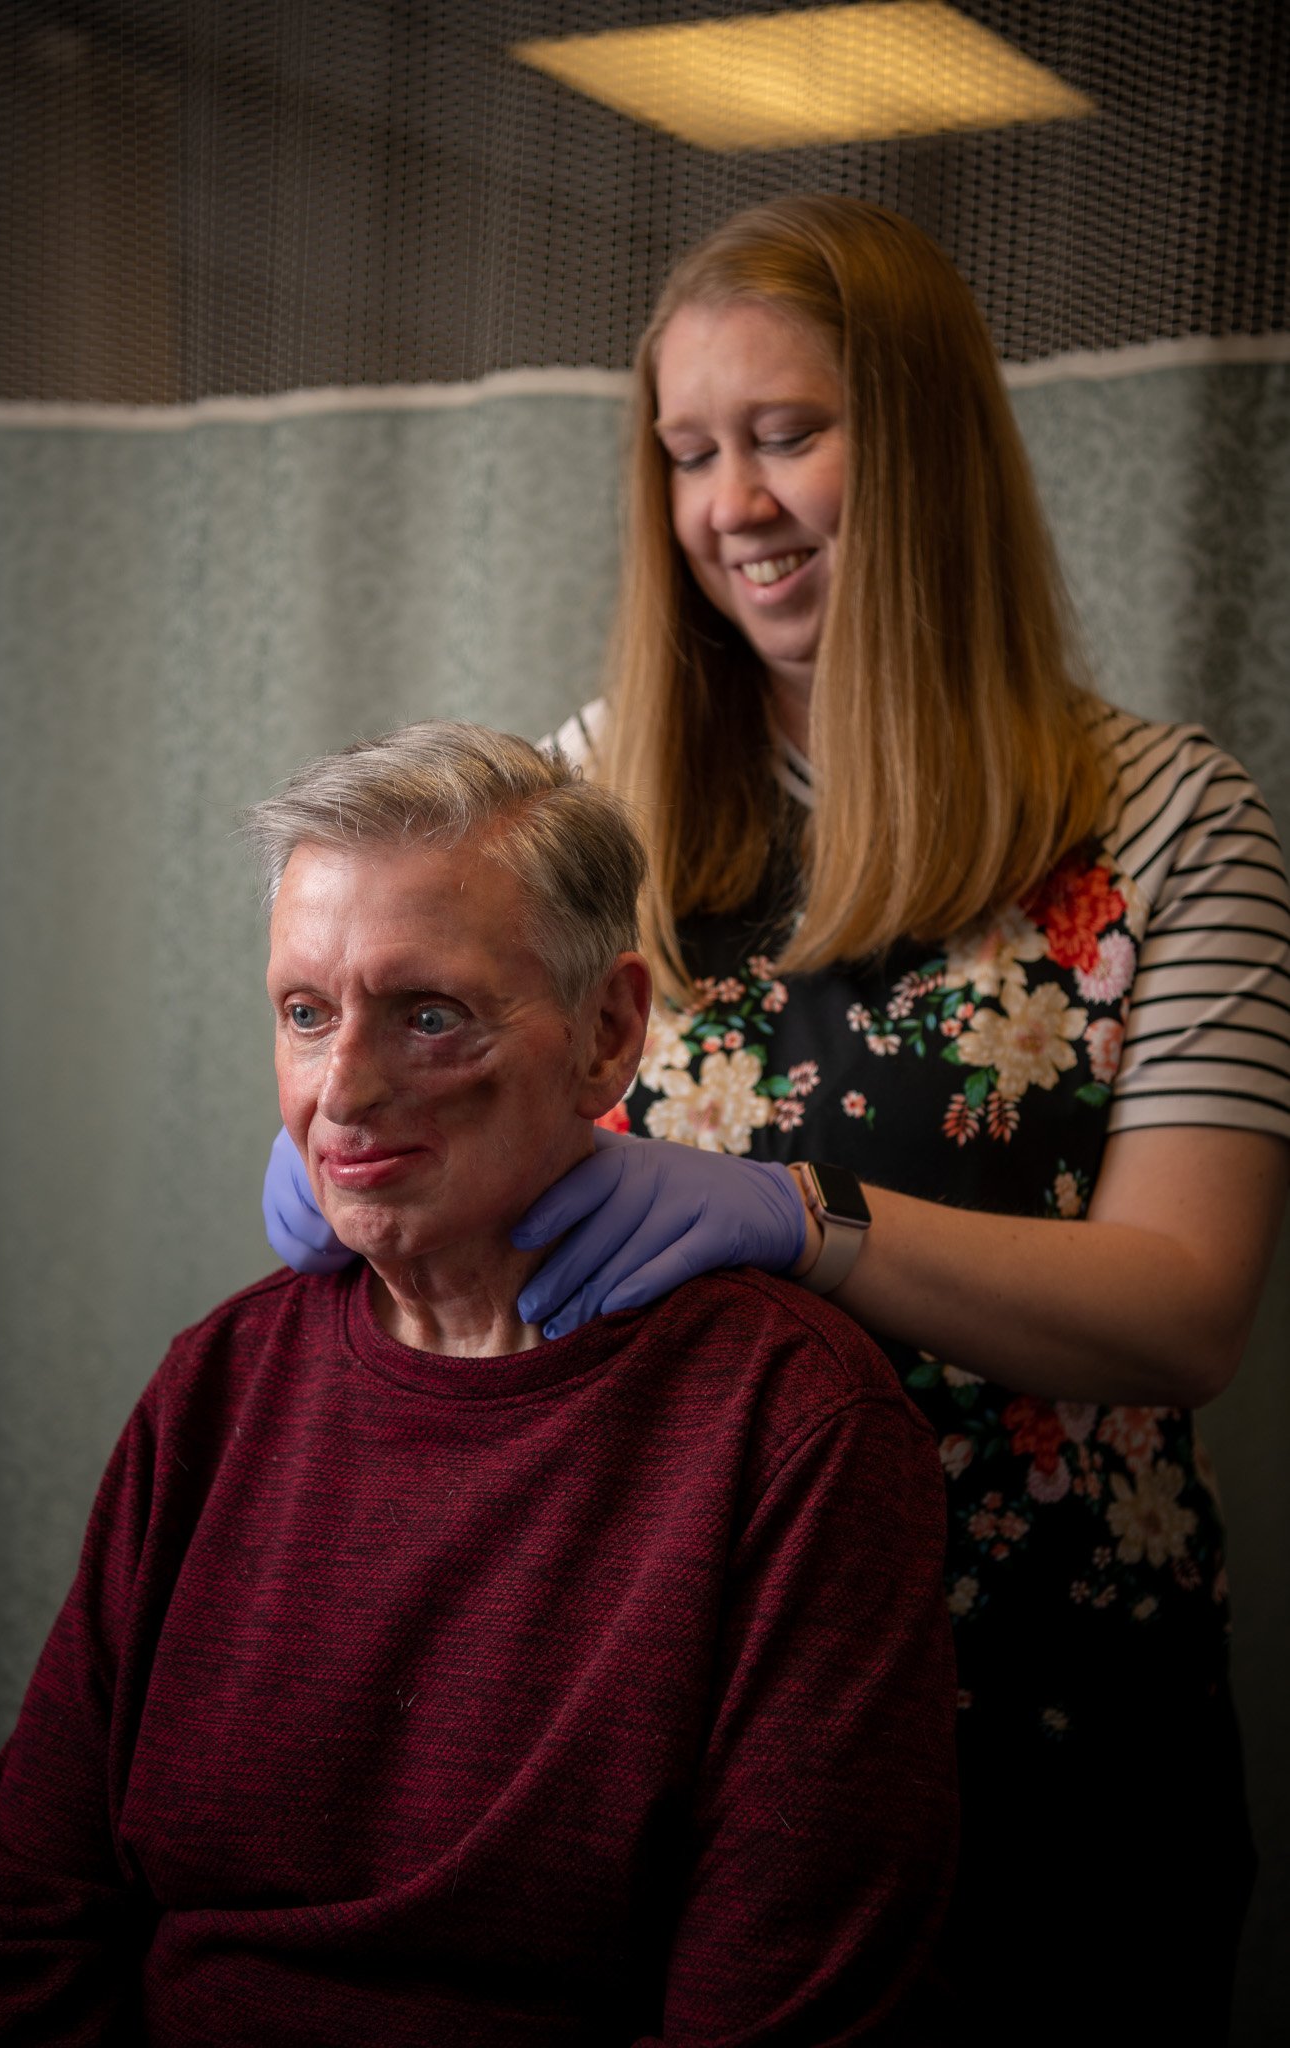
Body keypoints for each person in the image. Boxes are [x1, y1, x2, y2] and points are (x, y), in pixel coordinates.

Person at [264, 200, 1290, 2042]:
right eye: (686, 451)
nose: (732, 501)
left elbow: (1189, 1308)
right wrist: (363, 1136)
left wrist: (813, 1220)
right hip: (666, 1700)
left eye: (788, 433)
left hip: (1050, 1730)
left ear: (926, 449)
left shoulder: (1169, 823)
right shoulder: (588, 794)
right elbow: (407, 1058)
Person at [0, 723, 957, 2046]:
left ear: (607, 1033)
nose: (341, 1093)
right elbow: (21, 1923)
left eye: (430, 1017)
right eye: (304, 1014)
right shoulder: (219, 1387)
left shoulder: (792, 1434)